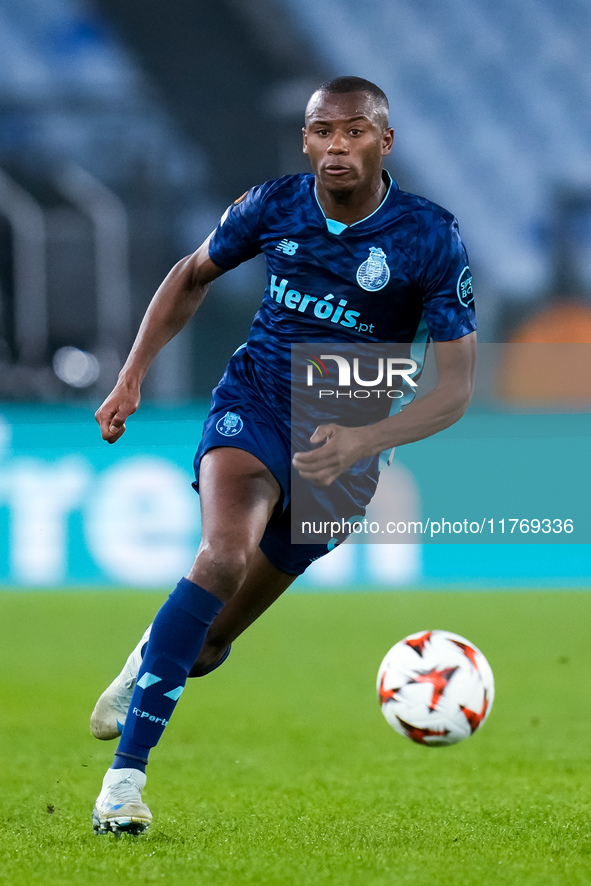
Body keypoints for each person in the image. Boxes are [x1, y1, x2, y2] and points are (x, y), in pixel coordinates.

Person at [91, 75, 476, 835]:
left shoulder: (429, 236)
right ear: (305, 140)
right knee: (221, 555)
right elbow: (188, 274)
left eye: (355, 131)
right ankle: (123, 785)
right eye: (322, 132)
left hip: (348, 440)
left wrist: (366, 439)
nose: (337, 146)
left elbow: (455, 387)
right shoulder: (271, 205)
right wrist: (130, 376)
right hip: (258, 404)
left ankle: (152, 653)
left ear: (384, 141)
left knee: (206, 646)